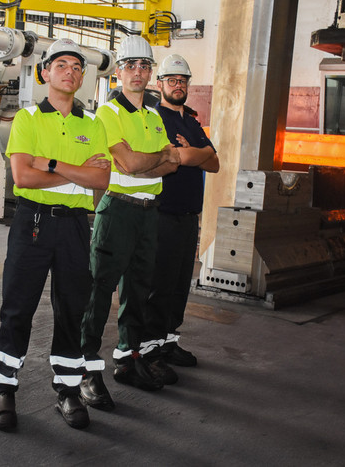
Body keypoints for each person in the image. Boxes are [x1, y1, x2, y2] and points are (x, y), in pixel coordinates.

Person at [0, 39, 111, 431]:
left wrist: (55, 163)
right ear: (44, 72)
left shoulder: (93, 123)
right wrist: (77, 169)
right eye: (61, 64)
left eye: (77, 67)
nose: (71, 72)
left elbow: (101, 180)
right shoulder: (26, 119)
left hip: (76, 223)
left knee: (73, 306)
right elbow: (23, 176)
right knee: (18, 305)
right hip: (34, 222)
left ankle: (68, 390)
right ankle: (5, 389)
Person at [79, 35, 183, 411]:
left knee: (138, 288)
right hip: (118, 211)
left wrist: (150, 159)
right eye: (130, 66)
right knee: (99, 290)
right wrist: (156, 158)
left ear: (150, 72)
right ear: (118, 71)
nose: (137, 73)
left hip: (147, 212)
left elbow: (172, 163)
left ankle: (128, 358)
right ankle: (87, 371)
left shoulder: (154, 115)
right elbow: (129, 164)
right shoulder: (109, 113)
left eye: (144, 66)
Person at [144, 54, 219, 368]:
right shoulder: (155, 118)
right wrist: (195, 152)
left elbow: (214, 163)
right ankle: (150, 348)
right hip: (164, 213)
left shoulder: (191, 120)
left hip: (189, 216)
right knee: (158, 284)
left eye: (183, 81)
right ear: (160, 84)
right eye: (172, 80)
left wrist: (194, 152)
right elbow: (177, 156)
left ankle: (169, 341)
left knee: (179, 284)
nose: (178, 85)